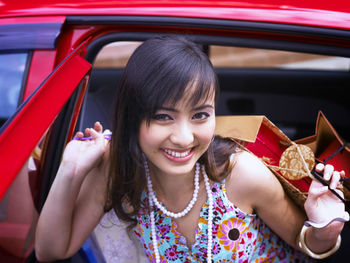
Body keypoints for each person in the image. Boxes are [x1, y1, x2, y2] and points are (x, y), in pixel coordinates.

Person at [35, 35, 348, 262]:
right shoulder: (118, 173)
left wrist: (324, 229)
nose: (184, 138)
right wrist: (70, 169)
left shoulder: (241, 174)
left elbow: (301, 241)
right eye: (163, 117)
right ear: (132, 118)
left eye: (200, 115)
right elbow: (51, 251)